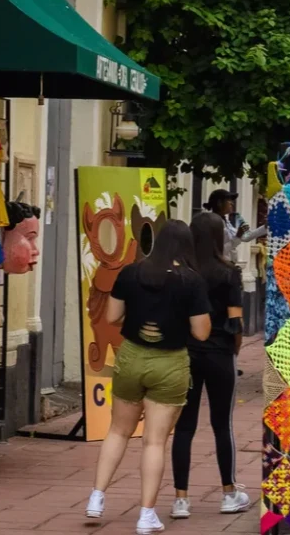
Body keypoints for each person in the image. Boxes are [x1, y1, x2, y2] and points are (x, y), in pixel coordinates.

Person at [87, 221, 211, 534]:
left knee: (117, 431)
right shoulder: (191, 281)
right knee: (155, 442)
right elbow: (201, 332)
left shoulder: (130, 272)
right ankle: (145, 516)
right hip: (170, 363)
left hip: (130, 357)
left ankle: (96, 498)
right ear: (187, 247)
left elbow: (112, 316)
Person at [170, 212, 251, 518]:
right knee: (222, 424)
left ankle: (180, 500)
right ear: (219, 237)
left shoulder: (181, 272)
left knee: (184, 426)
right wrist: (234, 351)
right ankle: (229, 493)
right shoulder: (228, 272)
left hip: (186, 354)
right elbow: (236, 321)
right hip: (219, 353)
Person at [205, 189, 266, 258]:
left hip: (229, 265)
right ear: (219, 203)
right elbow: (218, 251)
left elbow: (245, 237)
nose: (232, 203)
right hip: (220, 266)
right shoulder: (212, 222)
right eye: (229, 200)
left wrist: (265, 227)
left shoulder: (226, 221)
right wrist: (237, 237)